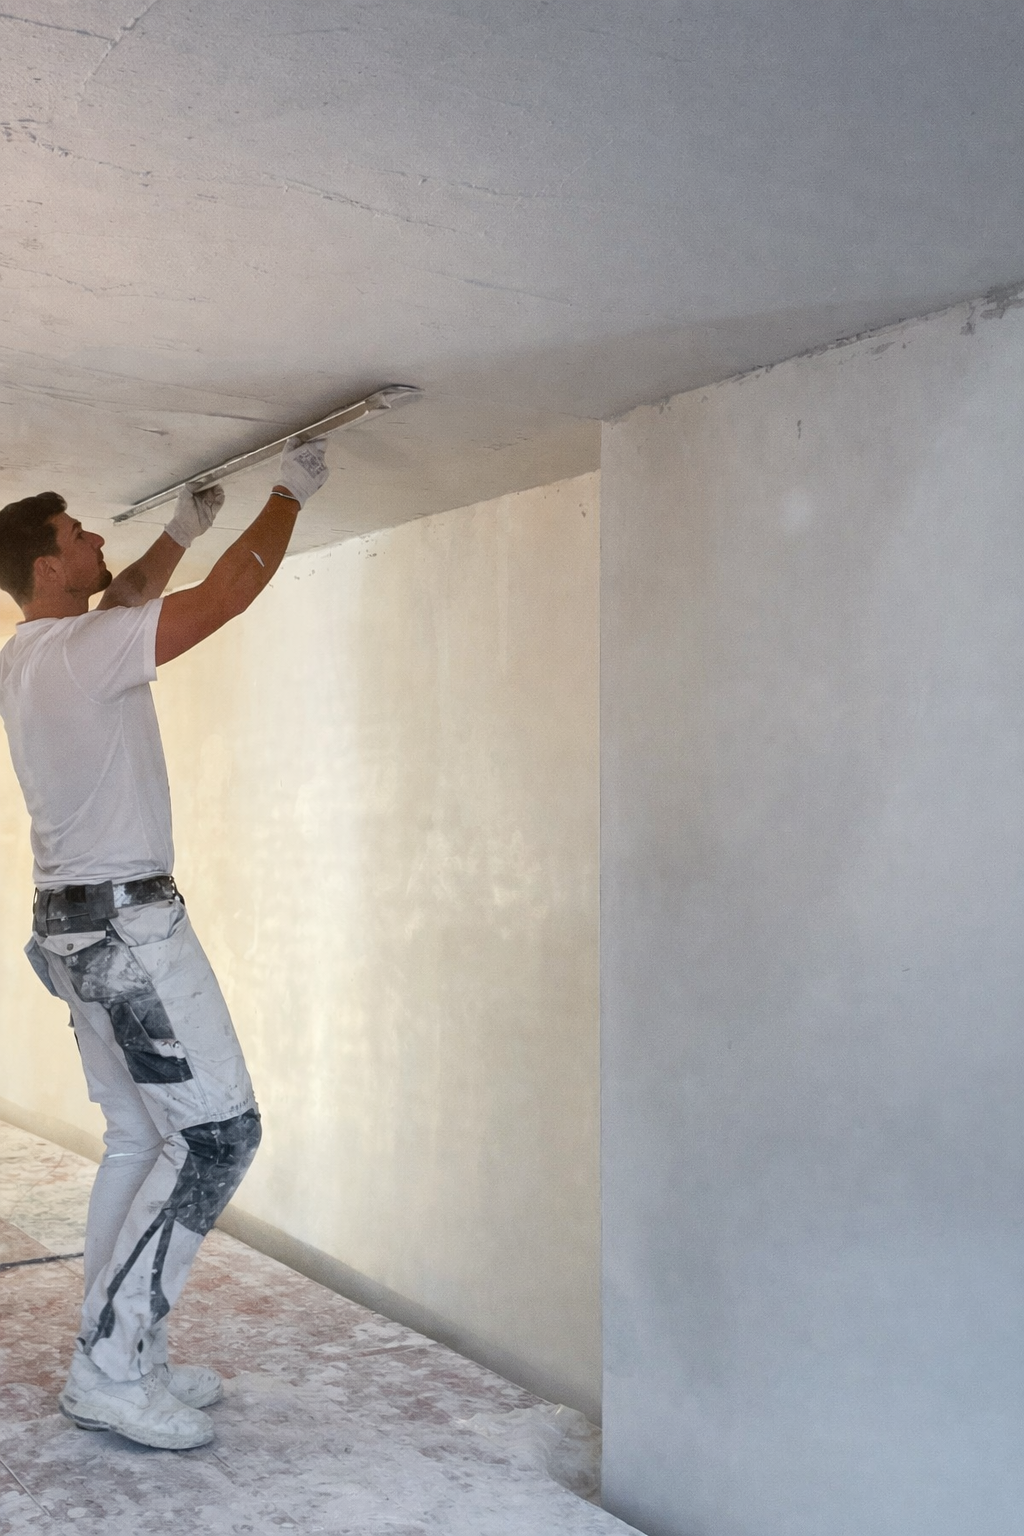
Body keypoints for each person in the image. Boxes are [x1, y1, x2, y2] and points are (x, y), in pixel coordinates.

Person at [0, 436, 330, 1450]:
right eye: (75, 530)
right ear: (48, 563)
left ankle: (122, 1352)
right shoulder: (89, 649)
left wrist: (181, 526)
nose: (94, 534)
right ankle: (109, 1366)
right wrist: (288, 494)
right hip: (128, 931)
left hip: (73, 931)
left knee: (142, 1139)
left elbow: (127, 591)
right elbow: (225, 597)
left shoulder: (29, 654)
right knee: (218, 1136)